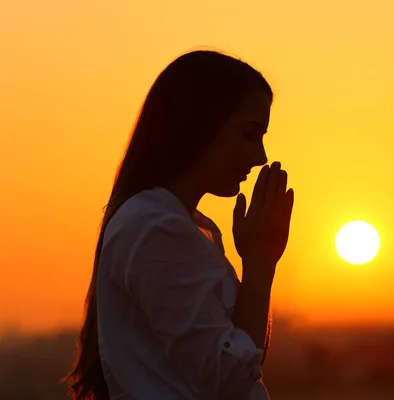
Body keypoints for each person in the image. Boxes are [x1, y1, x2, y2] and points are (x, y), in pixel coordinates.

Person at [65, 49, 294, 400]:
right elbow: (230, 379)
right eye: (249, 135)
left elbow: (243, 359)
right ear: (200, 125)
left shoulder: (175, 225)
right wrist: (260, 265)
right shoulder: (155, 228)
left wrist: (260, 260)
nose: (260, 156)